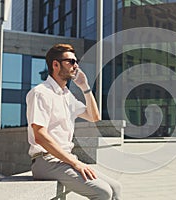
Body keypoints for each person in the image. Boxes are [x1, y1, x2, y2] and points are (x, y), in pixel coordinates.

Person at [26, 43, 122, 200]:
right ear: (55, 65)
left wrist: (85, 87)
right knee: (103, 192)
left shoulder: (66, 95)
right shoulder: (40, 93)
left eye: (75, 61)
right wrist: (75, 163)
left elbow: (94, 116)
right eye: (70, 61)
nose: (75, 66)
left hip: (64, 159)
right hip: (46, 161)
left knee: (116, 187)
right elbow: (40, 136)